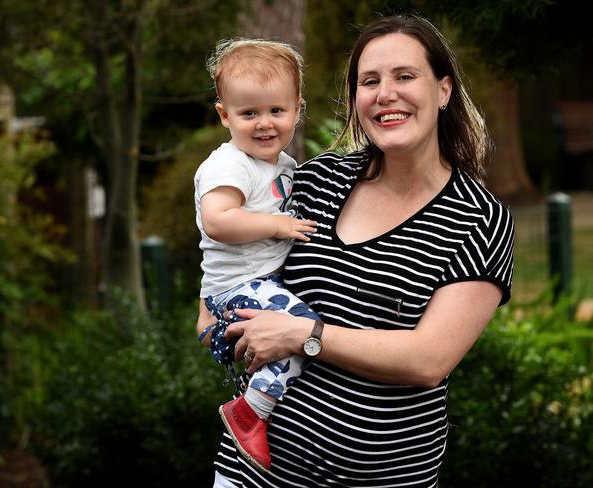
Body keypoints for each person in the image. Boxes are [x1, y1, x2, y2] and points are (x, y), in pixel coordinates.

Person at [197, 14, 515, 488]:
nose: (386, 93)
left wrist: (304, 334)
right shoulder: (317, 181)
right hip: (255, 473)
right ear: (356, 100)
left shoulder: (478, 219)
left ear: (443, 90)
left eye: (405, 76)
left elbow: (428, 360)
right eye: (370, 81)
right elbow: (224, 273)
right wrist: (218, 325)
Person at [194, 38, 320, 473]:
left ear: (297, 110)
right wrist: (279, 225)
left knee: (293, 336)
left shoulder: (282, 165)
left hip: (258, 283)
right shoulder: (228, 165)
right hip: (238, 288)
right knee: (301, 331)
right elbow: (217, 221)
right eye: (248, 113)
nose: (264, 124)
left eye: (276, 111)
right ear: (224, 115)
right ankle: (250, 412)